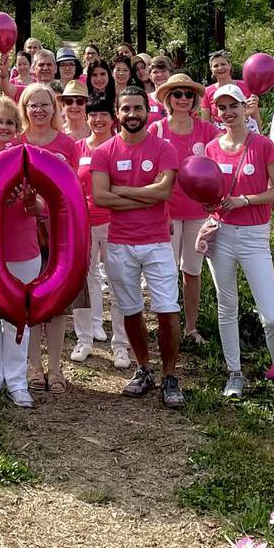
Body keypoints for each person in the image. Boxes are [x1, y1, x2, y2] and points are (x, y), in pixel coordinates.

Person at [200, 85, 274, 409]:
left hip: (255, 236)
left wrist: (244, 200)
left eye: (233, 106)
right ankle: (234, 373)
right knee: (226, 306)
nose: (228, 113)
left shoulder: (262, 145)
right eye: (222, 108)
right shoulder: (213, 148)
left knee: (271, 315)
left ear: (245, 107)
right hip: (222, 234)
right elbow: (207, 190)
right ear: (216, 111)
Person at [90, 86, 184, 408]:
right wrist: (145, 195)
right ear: (118, 113)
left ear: (148, 111)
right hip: (120, 244)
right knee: (130, 310)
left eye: (138, 108)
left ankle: (170, 375)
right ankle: (144, 369)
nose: (132, 114)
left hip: (157, 242)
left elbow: (164, 193)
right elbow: (100, 197)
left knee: (168, 310)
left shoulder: (164, 147)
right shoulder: (104, 152)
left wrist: (123, 192)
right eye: (126, 108)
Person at [17, 82, 80, 391]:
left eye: (45, 104)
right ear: (24, 109)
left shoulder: (67, 144)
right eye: (33, 105)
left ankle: (55, 368)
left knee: (56, 303)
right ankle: (32, 366)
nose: (39, 110)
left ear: (54, 108)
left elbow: (73, 192)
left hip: (59, 232)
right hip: (24, 232)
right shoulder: (17, 142)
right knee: (29, 299)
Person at [152, 74, 218, 348]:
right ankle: (165, 327)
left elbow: (221, 164)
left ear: (194, 99)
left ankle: (190, 327)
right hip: (164, 212)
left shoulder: (207, 131)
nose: (182, 99)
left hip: (197, 213)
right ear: (168, 98)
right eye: (176, 94)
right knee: (164, 273)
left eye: (187, 94)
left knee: (192, 271)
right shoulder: (156, 129)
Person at [0, 95, 36, 409]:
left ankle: (17, 381)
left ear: (18, 128)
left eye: (10, 123)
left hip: (22, 248)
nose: (3, 127)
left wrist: (29, 199)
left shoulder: (26, 157)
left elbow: (40, 206)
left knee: (19, 319)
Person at [72, 96, 130, 366]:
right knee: (83, 282)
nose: (97, 119)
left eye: (103, 114)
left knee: (119, 282)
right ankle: (84, 338)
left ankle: (121, 343)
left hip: (114, 222)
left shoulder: (121, 147)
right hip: (82, 225)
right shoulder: (77, 148)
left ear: (113, 118)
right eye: (92, 114)